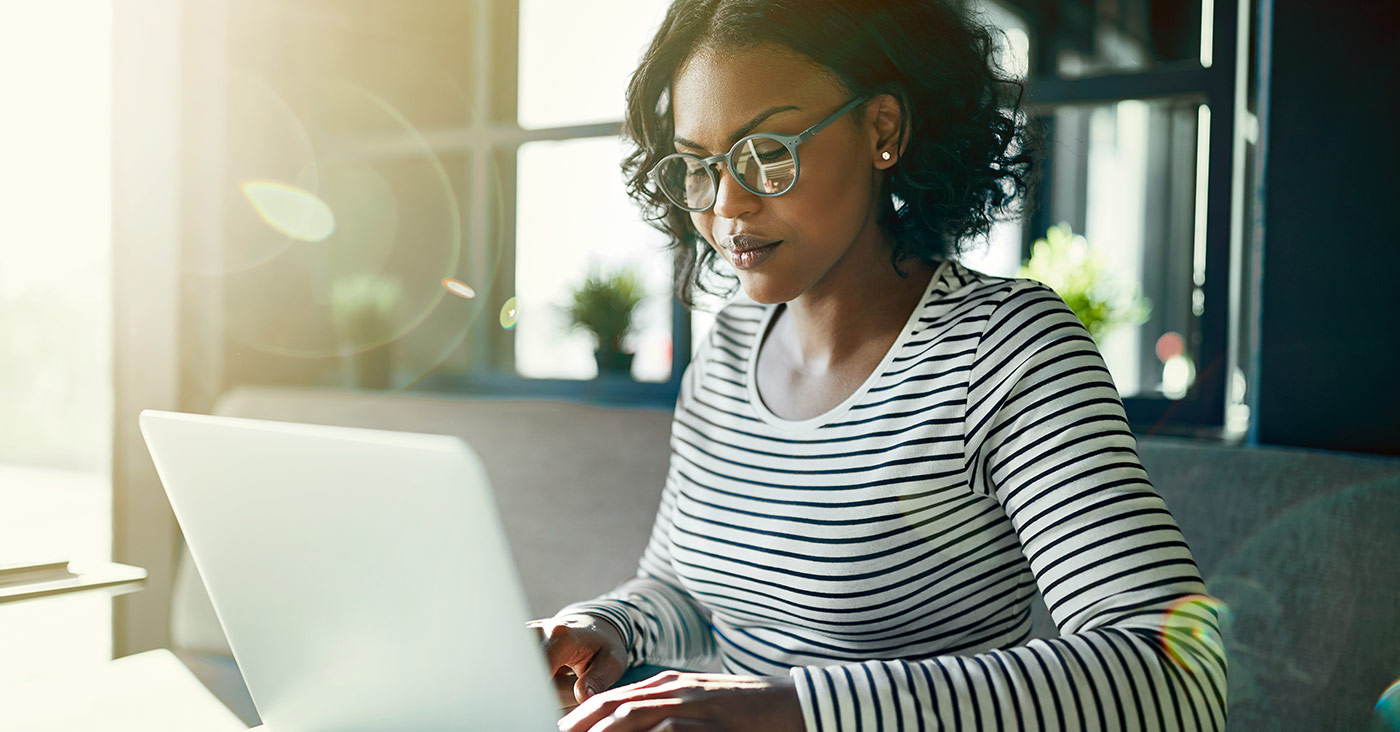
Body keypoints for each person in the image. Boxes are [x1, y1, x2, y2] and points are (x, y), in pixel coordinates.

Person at [530, 1, 1228, 730]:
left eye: (767, 150)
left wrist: (793, 709)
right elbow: (684, 587)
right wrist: (604, 628)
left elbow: (1177, 673)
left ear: (882, 129)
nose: (727, 204)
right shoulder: (733, 345)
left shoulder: (1005, 349)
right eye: (698, 166)